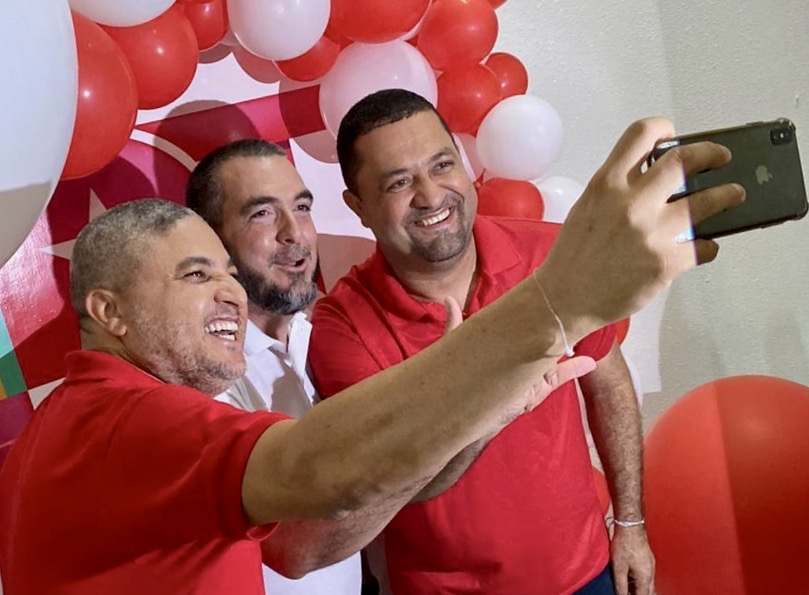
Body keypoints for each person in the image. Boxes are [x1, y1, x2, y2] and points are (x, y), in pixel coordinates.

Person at [0, 105, 742, 592]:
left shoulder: (156, 393)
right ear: (108, 311)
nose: (229, 289)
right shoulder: (124, 418)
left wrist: (628, 520)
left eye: (300, 207)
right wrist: (551, 310)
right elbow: (320, 482)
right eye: (200, 271)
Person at [306, 90, 710, 595]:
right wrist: (488, 400)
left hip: (586, 575)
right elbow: (390, 486)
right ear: (359, 206)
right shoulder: (342, 326)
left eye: (442, 165)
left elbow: (607, 379)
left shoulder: (550, 253)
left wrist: (631, 525)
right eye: (399, 182)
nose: (431, 196)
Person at [185, 139, 362, 594]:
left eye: (301, 207)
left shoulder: (324, 332)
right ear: (210, 238)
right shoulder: (199, 377)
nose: (294, 233)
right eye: (262, 213)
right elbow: (293, 549)